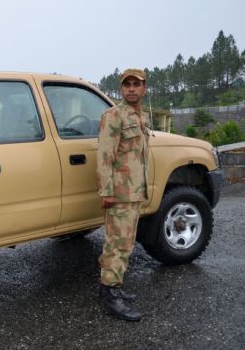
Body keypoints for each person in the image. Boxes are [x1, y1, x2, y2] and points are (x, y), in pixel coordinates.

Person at [96, 68, 150, 322]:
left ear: (143, 89)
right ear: (121, 89)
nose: (131, 88)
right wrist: (106, 191)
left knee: (126, 242)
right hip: (119, 193)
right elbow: (105, 156)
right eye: (126, 84)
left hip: (134, 192)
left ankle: (112, 286)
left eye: (136, 84)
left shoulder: (141, 116)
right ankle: (109, 295)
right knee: (117, 243)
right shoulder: (114, 116)